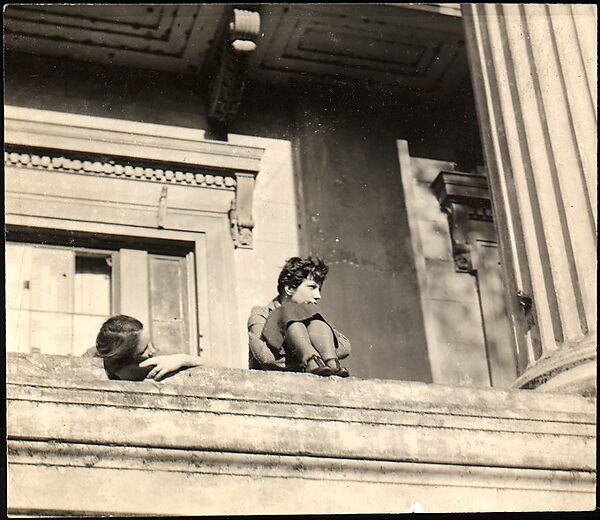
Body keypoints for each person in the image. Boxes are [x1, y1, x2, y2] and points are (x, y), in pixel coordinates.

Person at [247, 256, 351, 377]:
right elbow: (266, 357)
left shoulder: (312, 317)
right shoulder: (261, 314)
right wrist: (302, 353)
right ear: (290, 288)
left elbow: (345, 346)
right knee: (287, 315)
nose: (318, 296)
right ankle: (312, 361)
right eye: (312, 287)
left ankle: (331, 364)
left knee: (317, 323)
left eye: (319, 289)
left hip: (312, 381)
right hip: (274, 384)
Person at [90, 315, 205, 381]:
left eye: (151, 343)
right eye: (144, 350)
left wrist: (182, 359)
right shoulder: (95, 358)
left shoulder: (160, 360)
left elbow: (221, 366)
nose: (153, 351)